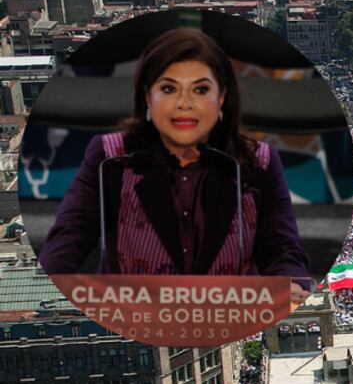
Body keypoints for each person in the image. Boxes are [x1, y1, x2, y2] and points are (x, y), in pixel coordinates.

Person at [39, 28, 310, 293]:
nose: (184, 103)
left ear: (222, 98)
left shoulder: (258, 161)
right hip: (136, 322)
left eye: (200, 90)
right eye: (169, 88)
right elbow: (69, 237)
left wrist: (292, 287)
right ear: (147, 96)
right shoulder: (111, 157)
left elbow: (282, 248)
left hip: (228, 324)